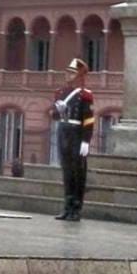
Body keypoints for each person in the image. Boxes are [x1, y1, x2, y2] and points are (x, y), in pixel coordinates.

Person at [50, 57, 94, 222]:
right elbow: (54, 115)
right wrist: (59, 111)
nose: (68, 75)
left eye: (72, 73)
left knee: (78, 172)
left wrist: (86, 141)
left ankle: (76, 208)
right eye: (67, 72)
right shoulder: (60, 92)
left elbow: (89, 119)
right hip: (63, 131)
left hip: (77, 133)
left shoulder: (85, 95)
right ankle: (67, 207)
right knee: (67, 171)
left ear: (80, 75)